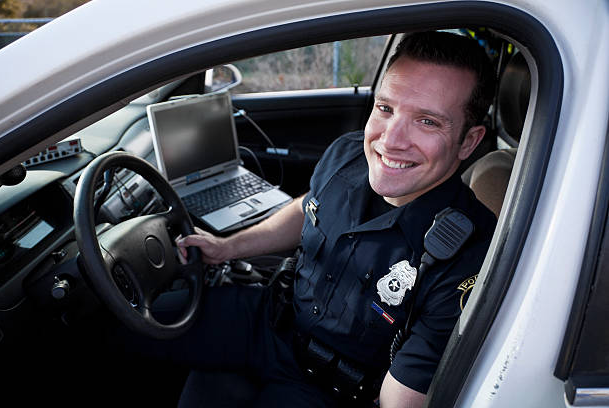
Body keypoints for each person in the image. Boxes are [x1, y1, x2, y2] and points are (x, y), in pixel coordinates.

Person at [170, 30, 497, 408]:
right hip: (270, 320)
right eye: (386, 108)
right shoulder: (346, 154)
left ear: (470, 141)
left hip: (329, 389)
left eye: (427, 122)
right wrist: (226, 247)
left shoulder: (469, 253)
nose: (390, 140)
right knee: (122, 319)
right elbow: (308, 207)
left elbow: (402, 399)